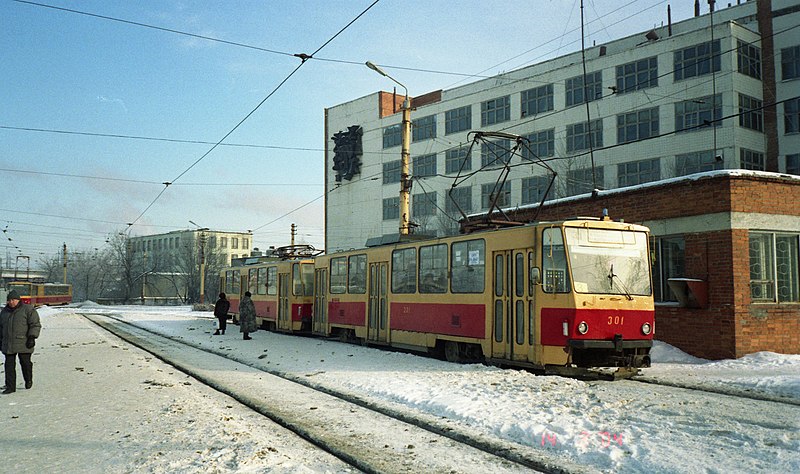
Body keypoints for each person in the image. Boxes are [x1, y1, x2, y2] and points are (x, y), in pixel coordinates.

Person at [0, 290, 41, 394]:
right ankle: (10, 387)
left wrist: (32, 337)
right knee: (9, 366)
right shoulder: (4, 312)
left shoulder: (28, 310)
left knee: (25, 364)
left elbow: (35, 324)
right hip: (8, 344)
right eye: (9, 300)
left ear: (18, 300)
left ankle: (28, 380)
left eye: (13, 300)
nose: (11, 302)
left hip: (24, 342)